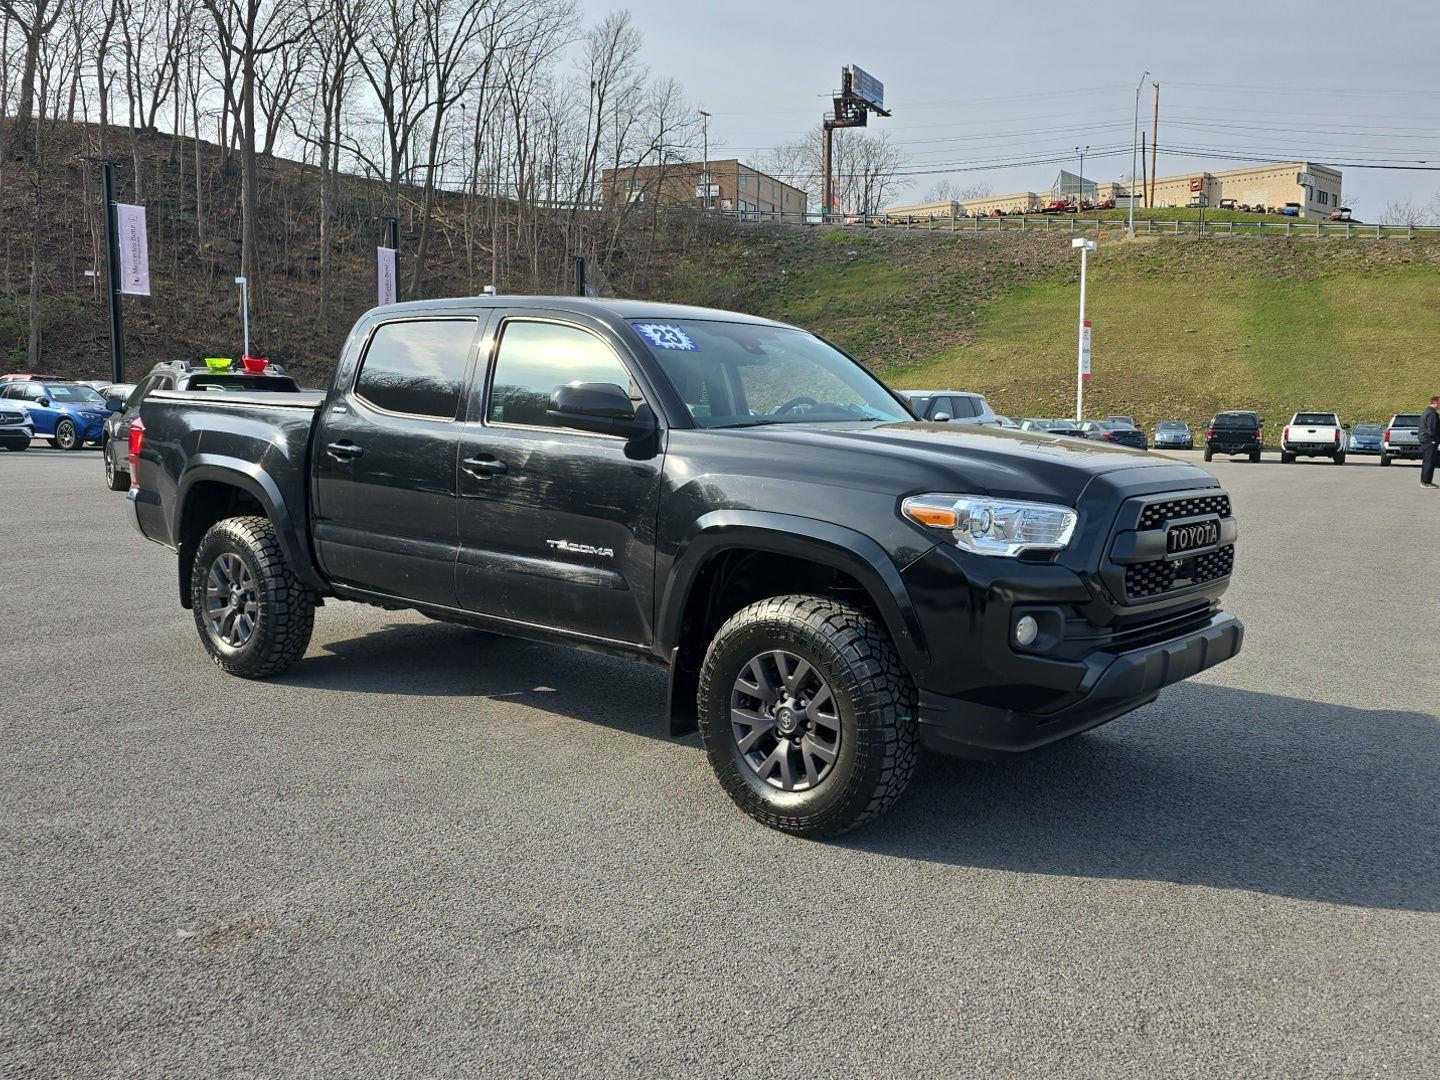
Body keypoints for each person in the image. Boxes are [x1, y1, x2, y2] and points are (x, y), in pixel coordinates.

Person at [1422, 395, 1440, 489]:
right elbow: (1432, 428)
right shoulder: (1432, 413)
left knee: (1428, 461)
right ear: (1435, 402)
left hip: (1426, 440)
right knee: (1429, 461)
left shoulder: (1427, 411)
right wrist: (1434, 439)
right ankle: (1426, 482)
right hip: (1430, 440)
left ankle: (1426, 481)